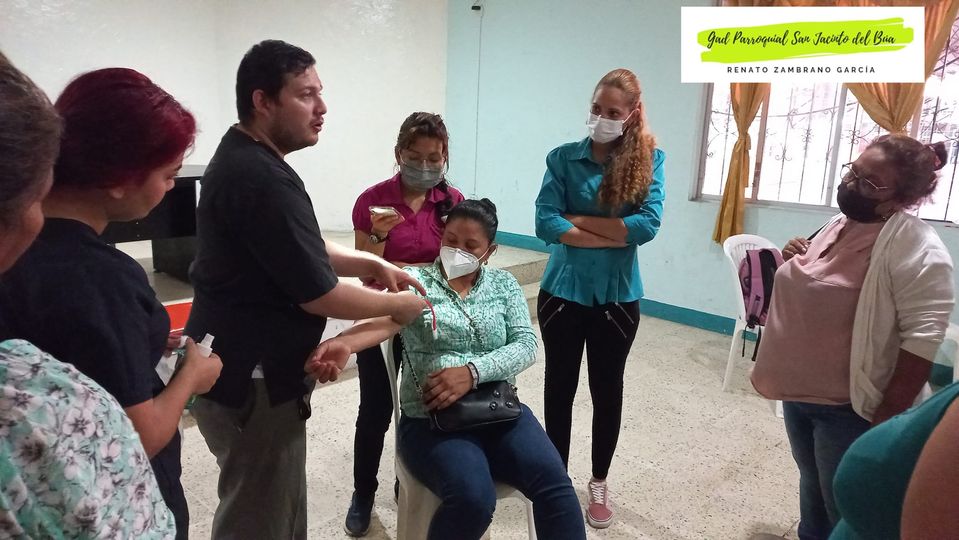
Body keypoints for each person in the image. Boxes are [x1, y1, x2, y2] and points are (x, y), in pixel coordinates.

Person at [185, 39, 427, 540]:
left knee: (279, 510)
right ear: (262, 100)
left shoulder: (249, 160)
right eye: (305, 94)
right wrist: (397, 306)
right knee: (258, 519)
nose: (322, 107)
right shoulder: (261, 178)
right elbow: (320, 294)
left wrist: (369, 261)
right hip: (252, 383)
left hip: (254, 375)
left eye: (320, 92)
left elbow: (302, 245)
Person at [0, 67, 223, 539]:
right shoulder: (103, 278)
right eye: (168, 175)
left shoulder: (20, 254)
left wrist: (138, 339)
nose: (171, 188)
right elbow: (139, 434)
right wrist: (191, 375)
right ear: (120, 178)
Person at [307, 199, 587, 540]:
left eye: (471, 246)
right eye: (451, 240)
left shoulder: (503, 285)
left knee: (556, 487)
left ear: (489, 251)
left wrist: (472, 372)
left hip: (497, 409)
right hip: (432, 420)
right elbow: (386, 319)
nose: (457, 251)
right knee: (473, 499)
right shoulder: (417, 281)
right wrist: (346, 343)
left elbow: (526, 345)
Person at [751, 136, 953, 540]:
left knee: (846, 506)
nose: (851, 185)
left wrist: (886, 421)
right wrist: (794, 257)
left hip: (849, 408)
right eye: (853, 172)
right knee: (812, 485)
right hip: (799, 394)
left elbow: (922, 340)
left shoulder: (917, 249)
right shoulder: (839, 223)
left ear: (901, 198)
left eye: (870, 183)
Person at [533, 67, 665, 528]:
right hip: (561, 294)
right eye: (596, 108)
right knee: (559, 388)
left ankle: (599, 479)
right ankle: (555, 478)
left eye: (612, 112)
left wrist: (577, 222)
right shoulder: (562, 158)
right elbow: (545, 221)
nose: (601, 118)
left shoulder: (650, 161)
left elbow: (647, 225)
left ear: (631, 115)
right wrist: (611, 236)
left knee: (607, 392)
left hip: (617, 299)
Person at [345, 111, 463, 536]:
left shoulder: (452, 202)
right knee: (375, 407)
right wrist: (378, 236)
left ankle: (407, 477)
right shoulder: (372, 200)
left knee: (421, 406)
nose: (425, 166)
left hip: (428, 316)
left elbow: (459, 266)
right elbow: (364, 267)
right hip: (381, 312)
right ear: (398, 154)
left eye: (434, 158)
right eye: (415, 157)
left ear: (445, 157)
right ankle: (363, 493)